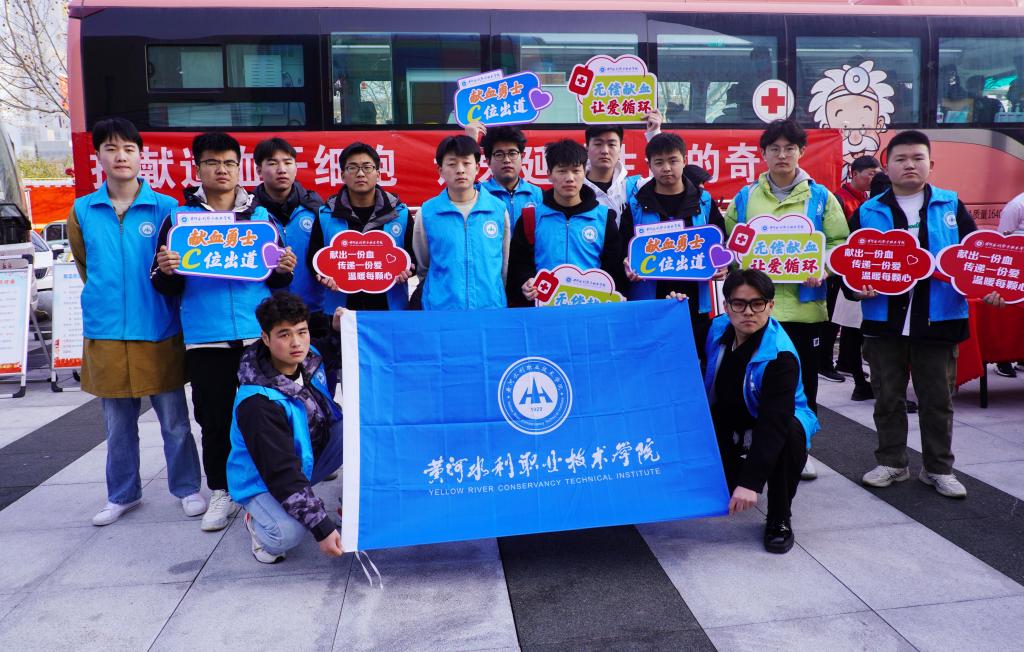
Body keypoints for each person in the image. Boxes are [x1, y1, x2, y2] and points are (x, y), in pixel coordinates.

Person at [846, 130, 1007, 498]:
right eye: (901, 159)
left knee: (937, 400)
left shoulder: (951, 206)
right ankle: (892, 462)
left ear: (930, 164)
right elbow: (849, 266)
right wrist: (856, 288)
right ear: (887, 166)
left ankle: (938, 469)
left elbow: (974, 259)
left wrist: (989, 288)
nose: (910, 165)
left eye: (917, 158)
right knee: (887, 398)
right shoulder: (868, 212)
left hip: (939, 319)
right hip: (884, 322)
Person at [152, 131, 297, 532]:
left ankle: (271, 487)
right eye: (213, 162)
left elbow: (278, 280)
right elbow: (162, 284)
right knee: (214, 419)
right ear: (198, 167)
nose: (222, 170)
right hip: (207, 338)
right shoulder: (179, 221)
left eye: (230, 163)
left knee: (268, 418)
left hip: (257, 337)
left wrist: (284, 268)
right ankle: (221, 490)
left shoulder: (261, 218)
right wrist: (167, 271)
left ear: (239, 167)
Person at [68, 117, 205, 526]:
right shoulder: (83, 210)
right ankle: (123, 495)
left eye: (128, 148)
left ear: (141, 155)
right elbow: (85, 265)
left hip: (158, 328)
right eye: (111, 149)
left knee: (175, 422)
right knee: (117, 425)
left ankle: (187, 488)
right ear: (99, 156)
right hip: (107, 332)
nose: (121, 156)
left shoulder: (167, 208)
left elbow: (180, 268)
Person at [725, 119, 850, 480]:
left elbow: (840, 243)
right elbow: (732, 244)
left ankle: (800, 449)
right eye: (774, 149)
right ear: (763, 154)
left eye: (789, 148)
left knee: (803, 383)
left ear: (801, 152)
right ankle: (753, 444)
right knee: (751, 380)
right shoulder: (745, 198)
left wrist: (823, 266)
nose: (782, 155)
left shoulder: (821, 198)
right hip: (755, 312)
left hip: (804, 309)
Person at [703, 269, 819, 554]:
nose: (748, 312)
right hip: (728, 415)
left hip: (775, 420)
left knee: (788, 434)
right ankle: (735, 469)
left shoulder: (780, 356)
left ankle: (779, 518)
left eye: (757, 303)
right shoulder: (717, 329)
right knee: (718, 484)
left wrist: (750, 483)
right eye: (739, 303)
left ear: (770, 305)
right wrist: (674, 302)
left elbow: (773, 423)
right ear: (726, 305)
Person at [228, 292, 345, 563]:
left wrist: (337, 330)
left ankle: (352, 502)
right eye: (284, 334)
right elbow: (281, 473)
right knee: (287, 534)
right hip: (264, 479)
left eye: (302, 332)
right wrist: (322, 527)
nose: (296, 342)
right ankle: (256, 520)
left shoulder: (308, 357)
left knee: (355, 430)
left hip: (304, 459)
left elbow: (331, 350)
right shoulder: (257, 402)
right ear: (265, 338)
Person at [620, 133, 729, 354]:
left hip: (696, 305)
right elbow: (623, 247)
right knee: (652, 362)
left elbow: (721, 242)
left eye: (673, 160)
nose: (667, 168)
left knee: (696, 360)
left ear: (684, 160)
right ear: (649, 165)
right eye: (659, 162)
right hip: (650, 304)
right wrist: (627, 263)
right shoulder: (636, 205)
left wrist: (722, 265)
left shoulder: (704, 201)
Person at [508, 139, 625, 307]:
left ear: (584, 172)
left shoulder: (604, 218)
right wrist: (525, 281)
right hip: (544, 309)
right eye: (562, 171)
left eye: (576, 171)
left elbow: (613, 269)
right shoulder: (530, 217)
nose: (570, 178)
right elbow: (518, 264)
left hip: (590, 309)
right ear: (549, 174)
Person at [309, 141, 415, 314]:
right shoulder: (326, 215)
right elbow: (314, 259)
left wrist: (407, 270)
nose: (360, 173)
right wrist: (323, 276)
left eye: (367, 167)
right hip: (340, 311)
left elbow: (413, 257)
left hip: (390, 310)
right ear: (342, 175)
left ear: (378, 174)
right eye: (352, 168)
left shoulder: (400, 214)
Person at [412, 135, 509, 310]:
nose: (460, 170)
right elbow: (424, 266)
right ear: (440, 170)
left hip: (490, 308)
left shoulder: (498, 209)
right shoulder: (427, 212)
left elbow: (504, 264)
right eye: (452, 164)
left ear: (477, 167)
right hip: (442, 310)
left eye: (466, 163)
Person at [828, 155, 881, 400]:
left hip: (862, 275)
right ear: (854, 173)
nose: (873, 178)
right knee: (844, 324)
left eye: (876, 174)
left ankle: (850, 368)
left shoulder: (866, 202)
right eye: (870, 173)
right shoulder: (842, 200)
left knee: (852, 327)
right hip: (849, 273)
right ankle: (839, 369)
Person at [251, 137, 325, 313]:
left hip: (314, 312)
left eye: (288, 162)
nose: (282, 169)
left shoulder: (316, 210)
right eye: (273, 163)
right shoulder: (248, 214)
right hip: (265, 312)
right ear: (259, 170)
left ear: (296, 168)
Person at [583, 110, 662, 221]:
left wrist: (654, 134)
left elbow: (664, 181)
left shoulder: (634, 187)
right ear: (587, 147)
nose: (605, 151)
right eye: (598, 144)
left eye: (611, 144)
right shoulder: (576, 188)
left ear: (620, 148)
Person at [465, 124, 543, 229]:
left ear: (522, 157)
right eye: (499, 154)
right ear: (488, 161)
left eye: (512, 153)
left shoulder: (538, 195)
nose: (507, 160)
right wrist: (470, 143)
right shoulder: (478, 193)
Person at [995, 190, 1024, 378]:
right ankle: (1002, 359)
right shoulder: (1017, 205)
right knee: (1009, 316)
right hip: (1015, 270)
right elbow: (1002, 241)